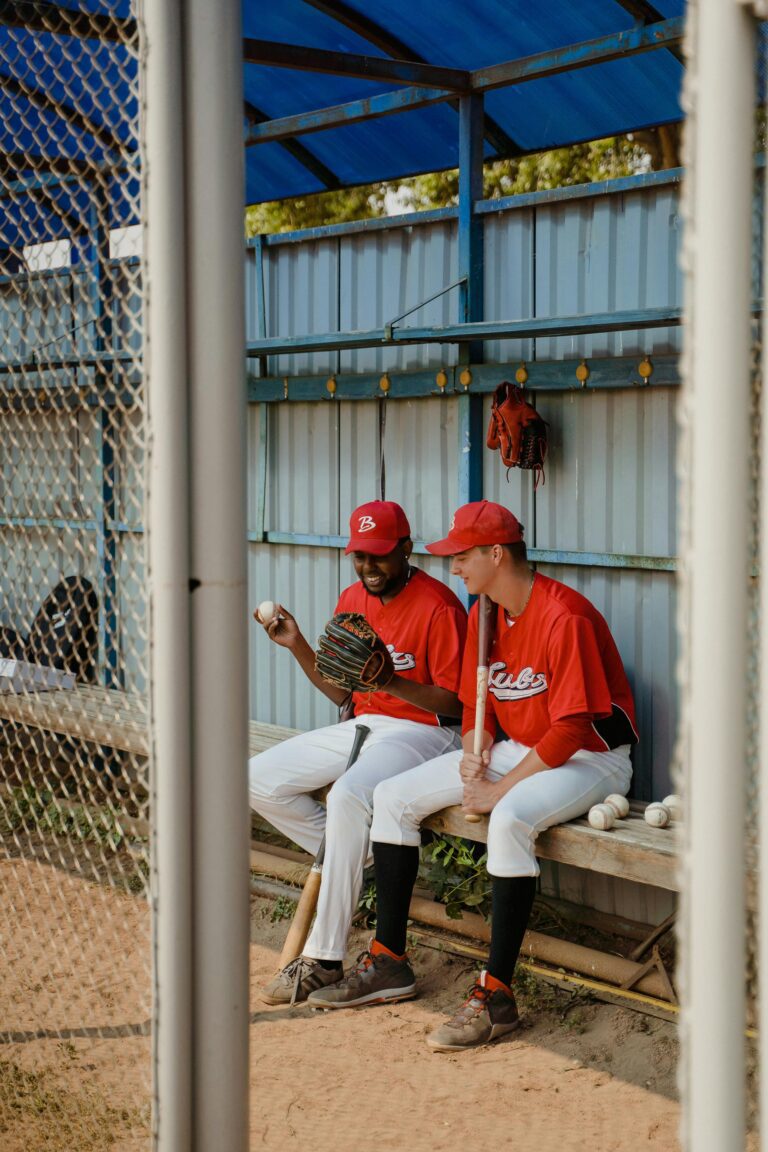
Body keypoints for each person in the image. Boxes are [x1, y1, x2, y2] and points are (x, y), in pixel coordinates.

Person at [307, 500, 638, 1053]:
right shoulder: (484, 612)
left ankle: (498, 996)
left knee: (508, 818)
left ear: (496, 553)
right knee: (391, 796)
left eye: (461, 557)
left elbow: (573, 728)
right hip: (519, 748)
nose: (453, 568)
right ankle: (390, 961)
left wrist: (496, 787)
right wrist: (473, 748)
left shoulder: (566, 616)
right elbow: (472, 705)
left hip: (592, 757)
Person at [249, 500, 467, 1005]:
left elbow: (456, 706)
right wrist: (298, 643)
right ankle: (361, 856)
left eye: (379, 555)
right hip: (366, 722)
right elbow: (344, 693)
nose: (368, 567)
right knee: (258, 778)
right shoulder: (352, 596)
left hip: (427, 732)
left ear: (406, 550)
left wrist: (391, 680)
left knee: (348, 793)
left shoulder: (440, 606)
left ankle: (324, 958)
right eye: (359, 556)